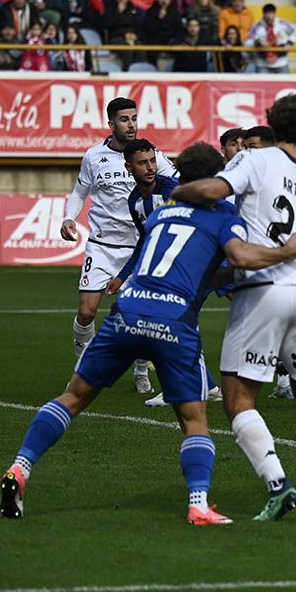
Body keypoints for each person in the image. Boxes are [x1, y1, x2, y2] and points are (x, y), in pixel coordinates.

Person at [0, 142, 296, 526]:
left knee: (74, 396)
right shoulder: (224, 214)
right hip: (174, 321)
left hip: (127, 311)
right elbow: (240, 257)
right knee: (194, 420)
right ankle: (198, 504)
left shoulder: (161, 214)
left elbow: (184, 265)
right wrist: (284, 253)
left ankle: (20, 468)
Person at [170, 94, 296, 521]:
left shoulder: (257, 159)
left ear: (271, 123)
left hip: (263, 287)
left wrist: (176, 190)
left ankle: (279, 485)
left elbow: (213, 190)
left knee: (238, 398)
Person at [60, 98, 177, 395]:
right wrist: (68, 218)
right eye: (124, 119)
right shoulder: (93, 156)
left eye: (134, 118)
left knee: (136, 314)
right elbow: (78, 193)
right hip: (101, 245)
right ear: (111, 125)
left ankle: (140, 372)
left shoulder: (152, 156)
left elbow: (179, 182)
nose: (131, 124)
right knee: (87, 311)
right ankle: (83, 370)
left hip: (139, 247)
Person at [103, 138, 223, 408]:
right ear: (128, 167)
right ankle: (207, 386)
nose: (149, 167)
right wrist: (123, 275)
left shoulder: (174, 190)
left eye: (152, 161)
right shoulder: (135, 201)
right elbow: (145, 242)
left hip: (203, 265)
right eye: (142, 163)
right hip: (179, 272)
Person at [243, 3, 296, 73]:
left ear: (274, 14)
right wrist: (258, 43)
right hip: (262, 63)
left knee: (285, 83)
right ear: (263, 14)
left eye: (271, 13)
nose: (269, 16)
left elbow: (295, 31)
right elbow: (248, 42)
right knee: (263, 84)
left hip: (281, 62)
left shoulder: (282, 23)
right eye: (267, 13)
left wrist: (289, 43)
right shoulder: (256, 26)